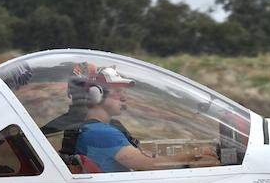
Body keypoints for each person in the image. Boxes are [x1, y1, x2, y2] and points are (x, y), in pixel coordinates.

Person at [73, 63, 218, 172]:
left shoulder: (92, 129)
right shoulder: (102, 133)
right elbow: (150, 165)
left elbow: (143, 154)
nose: (124, 97)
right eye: (117, 91)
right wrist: (194, 155)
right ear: (96, 94)